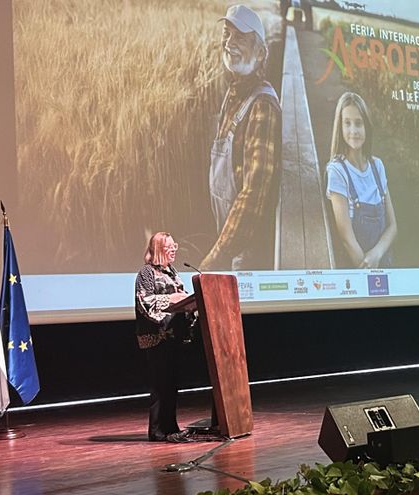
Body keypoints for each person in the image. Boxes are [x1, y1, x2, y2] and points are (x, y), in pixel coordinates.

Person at [200, 4, 282, 271]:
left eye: (241, 37)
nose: (230, 43)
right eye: (227, 33)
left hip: (245, 255)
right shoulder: (234, 94)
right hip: (228, 238)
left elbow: (255, 191)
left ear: (260, 54)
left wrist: (217, 255)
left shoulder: (261, 106)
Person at [134, 232, 195, 443]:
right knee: (160, 385)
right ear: (159, 248)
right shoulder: (147, 273)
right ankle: (158, 431)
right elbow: (145, 302)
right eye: (170, 246)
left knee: (172, 384)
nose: (174, 249)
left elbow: (183, 298)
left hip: (175, 336)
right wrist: (173, 298)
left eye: (175, 245)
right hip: (157, 337)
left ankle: (172, 428)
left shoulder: (172, 272)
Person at [325, 92, 397, 268]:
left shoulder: (377, 166)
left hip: (384, 262)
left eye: (359, 123)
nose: (353, 131)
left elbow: (393, 226)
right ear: (340, 128)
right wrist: (369, 274)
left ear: (367, 126)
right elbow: (347, 240)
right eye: (347, 123)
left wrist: (377, 253)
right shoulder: (337, 171)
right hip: (357, 269)